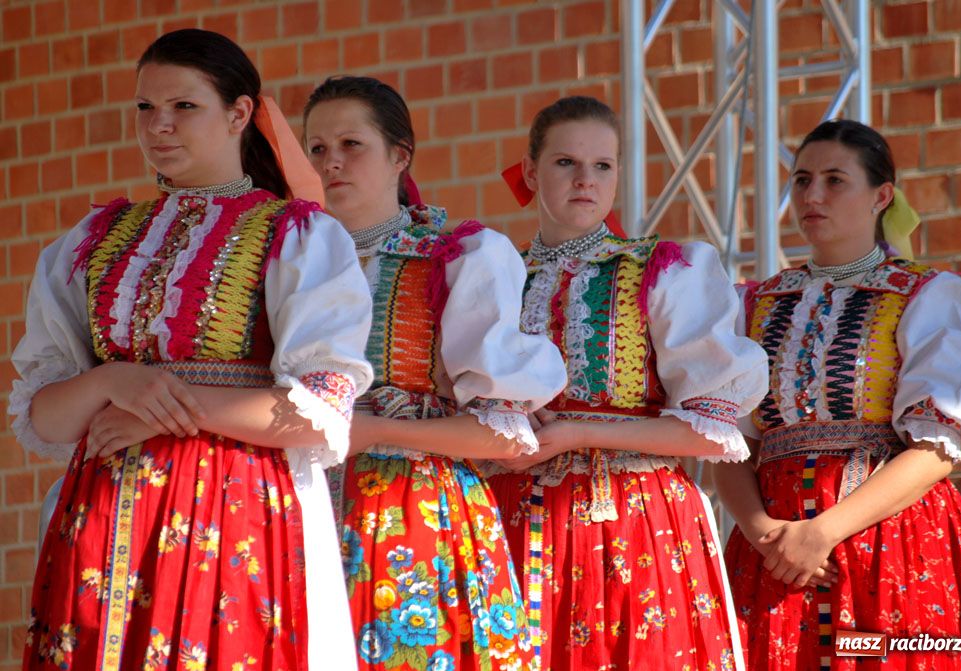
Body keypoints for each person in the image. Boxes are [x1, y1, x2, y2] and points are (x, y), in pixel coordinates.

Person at [10, 29, 372, 670]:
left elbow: (316, 412)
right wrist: (109, 381)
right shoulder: (90, 241)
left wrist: (160, 405)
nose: (159, 126)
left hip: (236, 511)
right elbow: (43, 415)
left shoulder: (298, 235)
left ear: (239, 114)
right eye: (146, 108)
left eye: (184, 106)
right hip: (103, 516)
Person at [484, 96, 768, 671]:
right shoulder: (492, 275)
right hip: (509, 513)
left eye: (603, 166)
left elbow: (710, 434)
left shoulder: (665, 269)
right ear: (532, 172)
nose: (586, 180)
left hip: (631, 517)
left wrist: (573, 431)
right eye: (566, 163)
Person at [302, 76, 568, 671]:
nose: (331, 163)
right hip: (299, 515)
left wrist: (370, 433)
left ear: (401, 156)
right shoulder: (291, 262)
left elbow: (499, 434)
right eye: (317, 149)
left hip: (414, 519)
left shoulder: (454, 260)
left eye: (351, 144)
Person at [715, 118, 961, 670]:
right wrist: (763, 531)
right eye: (801, 180)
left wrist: (822, 532)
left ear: (882, 195)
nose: (812, 195)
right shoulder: (754, 304)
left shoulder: (928, 296)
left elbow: (940, 448)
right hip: (774, 558)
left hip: (891, 545)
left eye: (834, 180)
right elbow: (732, 443)